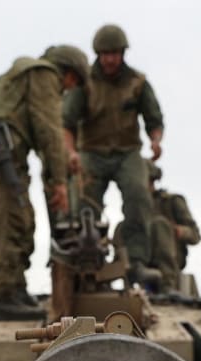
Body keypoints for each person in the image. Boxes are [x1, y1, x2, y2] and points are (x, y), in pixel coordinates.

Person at [0, 45, 89, 321]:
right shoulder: (45, 75)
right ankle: (2, 296)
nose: (69, 90)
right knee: (9, 217)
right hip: (1, 149)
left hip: (5, 148)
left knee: (21, 215)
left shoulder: (32, 73)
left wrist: (62, 163)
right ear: (69, 73)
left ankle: (14, 289)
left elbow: (40, 133)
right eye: (73, 83)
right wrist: (59, 182)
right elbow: (48, 130)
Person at [62, 24, 164, 287]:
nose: (110, 59)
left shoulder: (137, 82)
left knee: (138, 196)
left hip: (127, 152)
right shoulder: (84, 83)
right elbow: (66, 123)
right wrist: (71, 152)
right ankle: (86, 265)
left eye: (115, 53)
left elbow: (154, 118)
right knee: (83, 204)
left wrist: (155, 141)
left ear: (123, 53)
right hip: (91, 152)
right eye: (105, 54)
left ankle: (137, 262)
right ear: (98, 54)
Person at [145, 159, 201, 292]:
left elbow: (195, 235)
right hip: (143, 263)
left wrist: (177, 230)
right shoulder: (134, 207)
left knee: (159, 225)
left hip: (171, 262)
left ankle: (167, 284)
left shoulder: (170, 201)